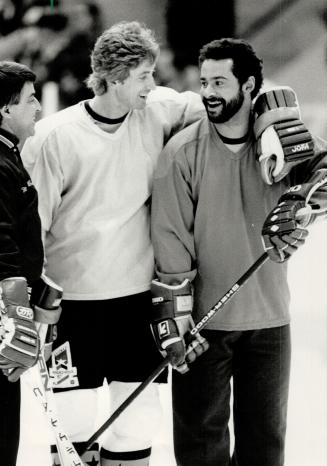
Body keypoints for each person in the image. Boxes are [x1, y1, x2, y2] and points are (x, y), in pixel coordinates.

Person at [21, 20, 208, 466]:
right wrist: (33, 308)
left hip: (137, 304)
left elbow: (220, 107)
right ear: (116, 76)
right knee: (75, 433)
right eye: (145, 74)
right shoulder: (56, 137)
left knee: (135, 426)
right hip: (73, 308)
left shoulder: (157, 109)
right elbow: (34, 230)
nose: (153, 83)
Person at [150, 38, 327, 466]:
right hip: (202, 327)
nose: (208, 91)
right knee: (200, 446)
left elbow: (323, 173)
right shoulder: (183, 153)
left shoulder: (283, 144)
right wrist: (175, 318)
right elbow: (171, 238)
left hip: (269, 320)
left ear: (248, 86)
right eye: (204, 81)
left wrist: (306, 195)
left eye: (219, 82)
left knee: (265, 445)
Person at [0, 61, 42, 466]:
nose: (39, 108)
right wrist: (17, 325)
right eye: (30, 100)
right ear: (5, 110)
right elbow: (1, 250)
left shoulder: (9, 155)